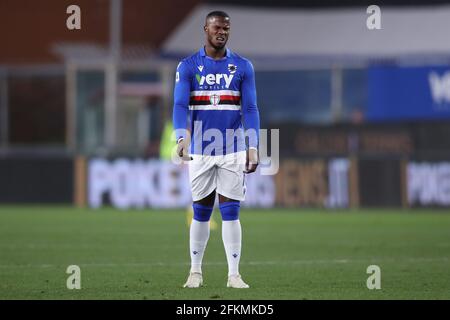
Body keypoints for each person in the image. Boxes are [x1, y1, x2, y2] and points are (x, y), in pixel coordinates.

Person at [172, 10, 260, 289]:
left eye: (226, 29)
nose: (222, 32)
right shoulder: (187, 66)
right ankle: (195, 271)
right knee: (201, 210)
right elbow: (179, 105)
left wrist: (254, 145)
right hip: (200, 148)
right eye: (217, 28)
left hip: (233, 149)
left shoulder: (243, 66)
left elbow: (250, 108)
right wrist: (180, 138)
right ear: (205, 30)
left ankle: (234, 274)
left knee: (231, 210)